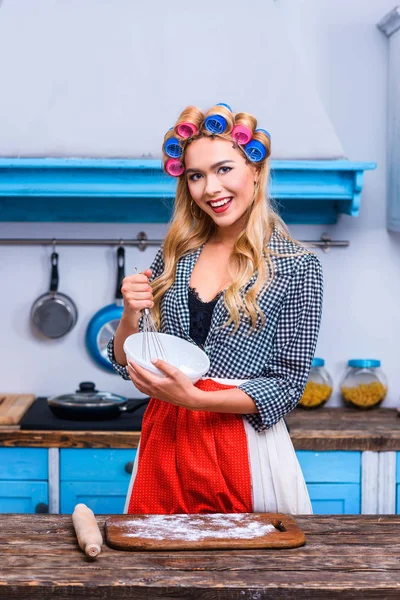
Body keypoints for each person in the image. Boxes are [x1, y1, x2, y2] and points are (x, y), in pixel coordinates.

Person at [108, 103, 324, 515]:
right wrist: (130, 315)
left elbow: (287, 385)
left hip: (241, 445)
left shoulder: (297, 266)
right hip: (165, 440)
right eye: (196, 175)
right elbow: (128, 361)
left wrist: (197, 400)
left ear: (255, 170)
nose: (210, 188)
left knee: (249, 572)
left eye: (224, 169)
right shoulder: (175, 256)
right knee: (155, 567)